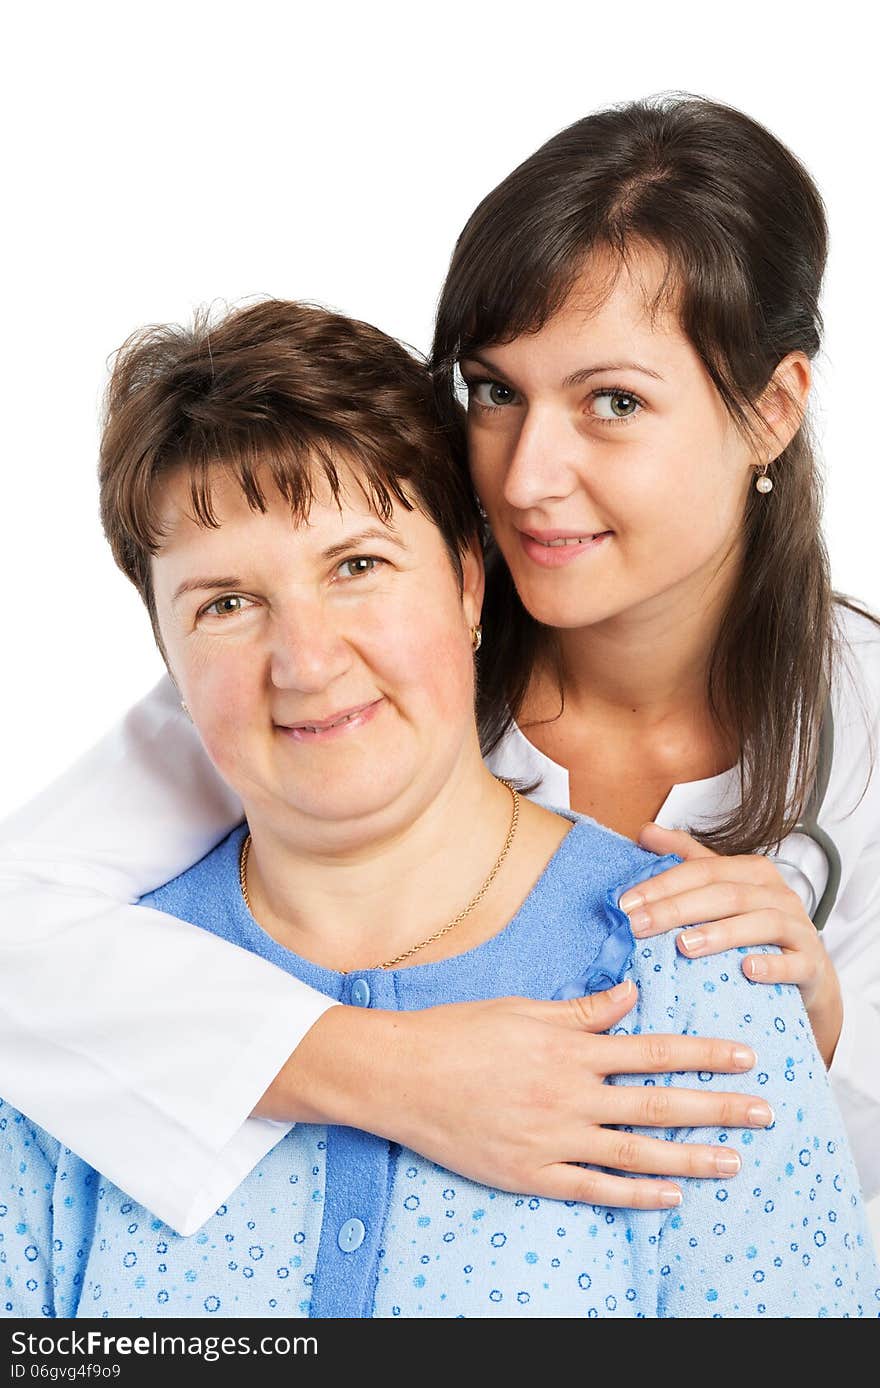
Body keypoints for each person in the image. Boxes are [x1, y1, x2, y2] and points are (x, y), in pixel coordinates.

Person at [1, 94, 878, 1238]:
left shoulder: (862, 723)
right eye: (495, 391)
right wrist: (384, 1069)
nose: (524, 478)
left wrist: (822, 1038)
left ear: (770, 409)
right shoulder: (348, 662)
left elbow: (802, 1236)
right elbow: (21, 930)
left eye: (612, 401)